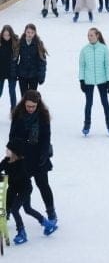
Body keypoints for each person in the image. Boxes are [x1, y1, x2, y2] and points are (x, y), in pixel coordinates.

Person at [9, 90, 57, 228]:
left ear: (38, 104)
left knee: (43, 184)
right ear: (24, 103)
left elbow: (46, 137)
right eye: (28, 106)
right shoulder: (18, 115)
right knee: (17, 185)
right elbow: (12, 136)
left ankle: (51, 212)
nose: (30, 109)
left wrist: (43, 154)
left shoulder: (43, 116)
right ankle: (8, 212)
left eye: (33, 106)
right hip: (23, 157)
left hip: (39, 157)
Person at [0, 140, 56, 243]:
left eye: (9, 150)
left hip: (25, 189)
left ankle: (22, 233)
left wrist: (4, 177)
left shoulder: (21, 164)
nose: (6, 151)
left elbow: (15, 177)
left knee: (15, 209)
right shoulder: (6, 161)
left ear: (15, 153)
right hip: (15, 188)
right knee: (27, 209)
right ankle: (46, 223)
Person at [79, 27, 109, 137]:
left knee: (105, 102)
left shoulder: (104, 49)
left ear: (97, 36)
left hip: (102, 80)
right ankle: (86, 125)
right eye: (88, 35)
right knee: (89, 103)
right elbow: (82, 66)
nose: (89, 37)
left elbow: (108, 66)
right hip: (88, 80)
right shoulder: (84, 50)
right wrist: (81, 80)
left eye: (91, 35)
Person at [16, 24, 47, 96]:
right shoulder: (20, 43)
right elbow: (14, 59)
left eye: (32, 32)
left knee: (32, 97)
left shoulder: (38, 44)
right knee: (24, 96)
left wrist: (41, 75)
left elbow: (42, 61)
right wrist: (15, 72)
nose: (30, 34)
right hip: (22, 75)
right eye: (28, 32)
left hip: (34, 75)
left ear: (35, 33)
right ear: (25, 32)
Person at [0, 25, 19, 110]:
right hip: (1, 72)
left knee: (12, 92)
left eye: (8, 35)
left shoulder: (15, 43)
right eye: (5, 35)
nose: (6, 37)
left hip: (12, 72)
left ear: (11, 34)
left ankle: (13, 110)